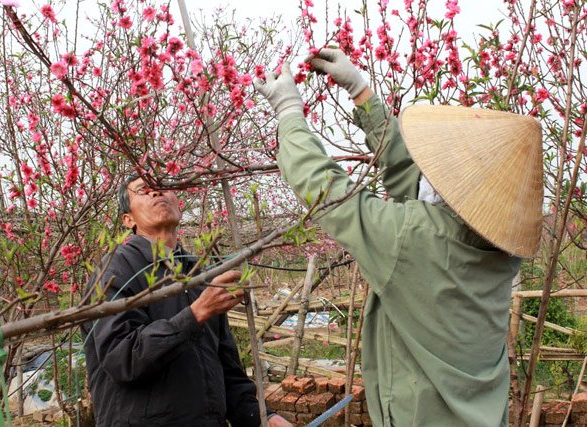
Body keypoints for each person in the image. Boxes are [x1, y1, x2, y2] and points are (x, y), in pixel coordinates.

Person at [255, 48, 542, 426]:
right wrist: (362, 94)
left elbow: (328, 193)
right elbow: (420, 185)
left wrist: (290, 114)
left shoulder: (415, 240)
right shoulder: (501, 249)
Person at [82, 175, 291, 426]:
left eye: (163, 188)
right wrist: (195, 314)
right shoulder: (116, 269)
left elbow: (227, 371)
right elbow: (122, 358)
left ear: (178, 204)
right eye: (144, 190)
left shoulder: (200, 274)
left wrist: (262, 417)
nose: (156, 193)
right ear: (129, 220)